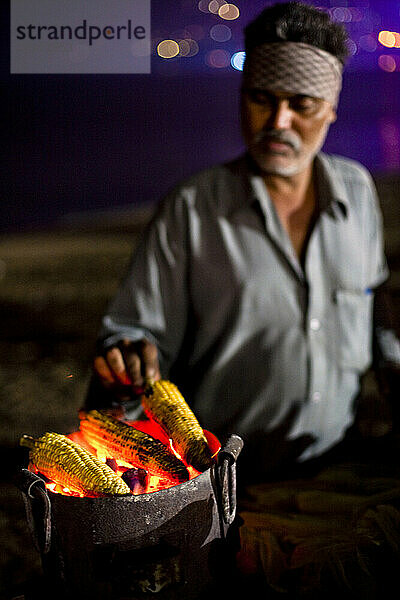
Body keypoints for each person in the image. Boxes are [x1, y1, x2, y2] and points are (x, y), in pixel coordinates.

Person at [87, 1, 400, 482]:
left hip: (338, 473)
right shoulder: (191, 209)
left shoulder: (357, 193)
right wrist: (125, 359)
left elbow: (375, 305)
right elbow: (134, 332)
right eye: (261, 98)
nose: (278, 122)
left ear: (331, 110)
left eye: (301, 105)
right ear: (241, 98)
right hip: (222, 490)